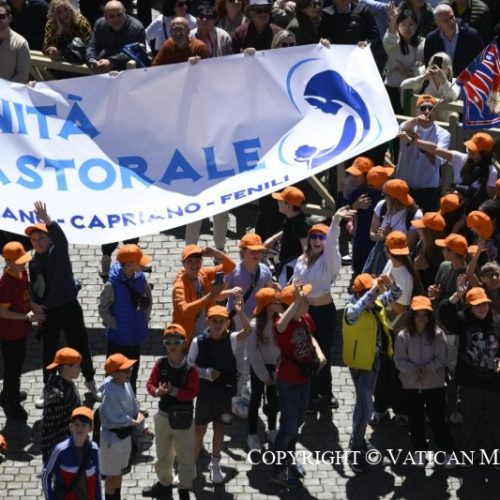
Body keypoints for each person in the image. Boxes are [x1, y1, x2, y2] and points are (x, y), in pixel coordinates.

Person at [26, 201, 98, 408]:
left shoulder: (57, 252)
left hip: (68, 307)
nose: (38, 243)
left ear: (49, 238)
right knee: (49, 351)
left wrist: (47, 220)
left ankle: (90, 382)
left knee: (80, 344)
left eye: (41, 238)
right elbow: (35, 287)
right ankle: (48, 388)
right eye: (34, 240)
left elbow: (61, 238)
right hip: (50, 312)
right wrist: (35, 305)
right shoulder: (34, 263)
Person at [293, 206, 355, 411]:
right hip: (306, 312)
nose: (317, 240)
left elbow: (333, 243)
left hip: (325, 312)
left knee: (324, 353)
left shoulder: (330, 261)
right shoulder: (302, 259)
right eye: (314, 237)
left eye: (321, 237)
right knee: (308, 352)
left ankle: (326, 393)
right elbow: (295, 280)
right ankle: (311, 395)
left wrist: (335, 221)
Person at [343, 273, 402, 472]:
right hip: (360, 365)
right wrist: (373, 290)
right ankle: (355, 449)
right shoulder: (351, 308)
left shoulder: (375, 302)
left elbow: (397, 293)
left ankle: (358, 440)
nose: (375, 296)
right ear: (359, 293)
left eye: (375, 292)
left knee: (362, 406)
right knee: (366, 408)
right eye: (371, 292)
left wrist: (389, 283)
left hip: (374, 361)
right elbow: (355, 312)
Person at [187, 302, 252, 484]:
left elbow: (248, 331)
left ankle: (215, 465)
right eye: (214, 320)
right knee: (199, 430)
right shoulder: (197, 342)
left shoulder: (232, 339)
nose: (217, 324)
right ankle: (189, 467)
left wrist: (240, 313)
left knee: (219, 428)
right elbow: (189, 366)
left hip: (224, 395)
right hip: (205, 394)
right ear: (207, 322)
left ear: (227, 323)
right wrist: (205, 373)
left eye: (221, 321)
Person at [270, 283, 326, 487]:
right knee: (288, 428)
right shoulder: (282, 323)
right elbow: (280, 326)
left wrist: (319, 354)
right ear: (292, 305)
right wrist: (296, 302)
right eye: (304, 300)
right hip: (288, 382)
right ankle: (278, 470)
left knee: (298, 422)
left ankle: (289, 460)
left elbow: (311, 338)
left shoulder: (305, 318)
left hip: (305, 379)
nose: (307, 301)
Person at [393, 296, 455, 466]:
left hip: (434, 385)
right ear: (412, 316)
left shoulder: (438, 335)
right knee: (415, 420)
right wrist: (415, 369)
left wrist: (425, 369)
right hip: (411, 386)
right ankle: (419, 450)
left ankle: (448, 451)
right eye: (418, 314)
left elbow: (441, 358)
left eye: (425, 315)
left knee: (438, 420)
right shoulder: (403, 336)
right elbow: (398, 360)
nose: (421, 318)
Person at [439, 283, 500, 455]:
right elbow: (444, 313)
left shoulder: (497, 321)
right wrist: (456, 296)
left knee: (496, 421)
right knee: (470, 420)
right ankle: (469, 452)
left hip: (494, 382)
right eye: (477, 305)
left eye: (484, 304)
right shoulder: (462, 321)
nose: (482, 308)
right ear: (469, 307)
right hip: (470, 381)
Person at [142, 324, 199, 500]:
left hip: (184, 419)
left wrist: (173, 391)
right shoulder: (161, 364)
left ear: (184, 343)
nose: (172, 345)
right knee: (163, 455)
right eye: (168, 342)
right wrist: (156, 391)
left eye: (176, 341)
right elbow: (150, 384)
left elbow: (193, 392)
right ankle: (164, 484)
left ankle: (184, 487)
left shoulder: (191, 368)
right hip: (163, 417)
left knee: (185, 456)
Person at [98, 244, 153, 394]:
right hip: (118, 339)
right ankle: (111, 400)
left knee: (132, 374)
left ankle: (131, 400)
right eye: (139, 262)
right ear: (128, 265)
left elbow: (148, 298)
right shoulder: (112, 284)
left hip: (135, 336)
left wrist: (145, 318)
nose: (143, 265)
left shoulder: (140, 277)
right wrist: (114, 324)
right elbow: (103, 308)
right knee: (114, 375)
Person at [0, 242, 42, 420]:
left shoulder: (21, 272)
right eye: (19, 261)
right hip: (10, 334)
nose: (24, 263)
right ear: (8, 262)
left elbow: (26, 293)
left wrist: (33, 306)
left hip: (20, 330)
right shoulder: (6, 284)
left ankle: (7, 394)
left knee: (17, 365)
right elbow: (3, 312)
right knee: (13, 369)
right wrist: (26, 317)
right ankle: (11, 401)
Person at [416, 132, 498, 212]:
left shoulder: (491, 171)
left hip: (471, 211)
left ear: (484, 153)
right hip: (452, 209)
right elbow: (436, 149)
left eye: (474, 148)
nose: (469, 149)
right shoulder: (460, 158)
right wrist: (416, 141)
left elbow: (489, 196)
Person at [99, 353, 144, 500]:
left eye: (130, 369)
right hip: (112, 440)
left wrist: (141, 426)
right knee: (112, 476)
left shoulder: (125, 383)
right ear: (113, 373)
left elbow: (133, 404)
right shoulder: (110, 394)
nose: (129, 372)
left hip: (124, 437)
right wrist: (134, 422)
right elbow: (116, 418)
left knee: (119, 471)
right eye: (125, 370)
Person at [397, 94, 451, 212]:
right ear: (416, 111)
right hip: (405, 189)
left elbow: (437, 161)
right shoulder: (410, 127)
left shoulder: (443, 134)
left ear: (436, 112)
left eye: (431, 108)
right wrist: (417, 121)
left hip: (427, 193)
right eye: (423, 108)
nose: (427, 111)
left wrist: (415, 142)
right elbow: (402, 127)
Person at [172, 244, 235, 343]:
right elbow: (184, 311)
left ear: (201, 261)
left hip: (206, 335)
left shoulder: (203, 274)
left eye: (197, 260)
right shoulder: (179, 286)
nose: (194, 265)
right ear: (183, 263)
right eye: (190, 261)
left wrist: (216, 253)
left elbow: (231, 266)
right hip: (186, 338)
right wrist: (210, 296)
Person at [246, 288, 281, 450]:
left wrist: (277, 369)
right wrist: (264, 376)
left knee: (273, 400)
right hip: (259, 369)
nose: (280, 303)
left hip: (275, 367)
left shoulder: (279, 321)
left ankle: (272, 429)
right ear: (267, 306)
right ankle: (252, 434)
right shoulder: (254, 326)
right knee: (255, 400)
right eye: (276, 301)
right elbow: (253, 353)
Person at [42, 406, 102, 500]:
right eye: (76, 424)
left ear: (91, 428)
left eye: (83, 425)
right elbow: (46, 474)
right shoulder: (60, 450)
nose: (79, 428)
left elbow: (97, 479)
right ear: (70, 427)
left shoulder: (94, 451)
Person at [365, 179, 422, 275]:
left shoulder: (415, 215)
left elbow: (409, 246)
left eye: (385, 195)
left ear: (393, 199)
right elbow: (372, 235)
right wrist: (381, 236)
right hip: (380, 257)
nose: (383, 197)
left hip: (399, 262)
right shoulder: (381, 206)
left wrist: (389, 237)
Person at [346, 164, 393, 275]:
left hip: (359, 239)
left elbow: (344, 206)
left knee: (358, 269)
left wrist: (354, 205)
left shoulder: (360, 194)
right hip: (374, 241)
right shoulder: (386, 199)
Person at [41, 348, 83, 464]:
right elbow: (49, 430)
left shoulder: (66, 383)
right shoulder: (57, 396)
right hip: (62, 449)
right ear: (66, 368)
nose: (80, 369)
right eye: (77, 366)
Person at [319, 0, 385, 73]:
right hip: (335, 63)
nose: (343, 1)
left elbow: (375, 38)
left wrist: (367, 43)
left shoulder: (363, 11)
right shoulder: (327, 14)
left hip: (359, 63)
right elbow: (320, 38)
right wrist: (323, 41)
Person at [383, 4, 425, 114]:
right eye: (403, 24)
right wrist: (393, 20)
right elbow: (391, 36)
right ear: (397, 25)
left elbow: (424, 67)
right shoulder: (393, 42)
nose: (407, 28)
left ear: (416, 25)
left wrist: (407, 72)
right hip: (393, 88)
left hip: (414, 91)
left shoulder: (423, 43)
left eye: (411, 24)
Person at [85, 0, 147, 73]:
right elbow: (92, 45)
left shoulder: (137, 28)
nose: (116, 19)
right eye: (112, 16)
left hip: (127, 70)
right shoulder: (99, 24)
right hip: (101, 65)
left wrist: (111, 62)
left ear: (125, 13)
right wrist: (92, 60)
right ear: (106, 17)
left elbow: (133, 52)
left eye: (119, 15)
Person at [265, 186, 309, 286]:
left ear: (288, 205)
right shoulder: (293, 217)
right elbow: (287, 230)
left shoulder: (300, 225)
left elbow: (306, 250)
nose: (278, 202)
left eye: (281, 200)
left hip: (291, 268)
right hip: (286, 260)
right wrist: (273, 239)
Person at [423, 4, 483, 77]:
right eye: (446, 20)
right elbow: (429, 67)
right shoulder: (431, 39)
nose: (451, 22)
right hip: (442, 81)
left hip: (467, 81)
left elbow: (481, 61)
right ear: (437, 23)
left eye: (452, 17)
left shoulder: (472, 36)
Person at [400, 52, 460, 119]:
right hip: (425, 121)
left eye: (440, 66)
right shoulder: (425, 81)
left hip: (445, 123)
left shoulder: (455, 82)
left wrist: (443, 80)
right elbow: (404, 86)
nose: (436, 69)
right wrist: (423, 77)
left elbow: (452, 97)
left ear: (448, 70)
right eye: (432, 65)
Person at [0, 2, 29, 83]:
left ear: (10, 18)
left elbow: (22, 76)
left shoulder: (20, 43)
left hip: (8, 90)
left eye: (1, 16)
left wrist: (3, 88)